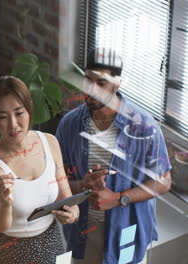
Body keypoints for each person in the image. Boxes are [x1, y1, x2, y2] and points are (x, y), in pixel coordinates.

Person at [56, 48, 172, 264]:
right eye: (88, 80)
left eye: (101, 83)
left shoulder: (144, 126)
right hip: (82, 236)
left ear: (117, 84)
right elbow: (58, 179)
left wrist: (118, 199)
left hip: (126, 234)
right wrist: (82, 185)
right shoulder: (69, 124)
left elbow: (163, 182)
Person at [0, 76, 79, 264]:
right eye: (3, 117)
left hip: (51, 242)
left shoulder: (50, 142)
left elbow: (66, 197)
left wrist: (73, 212)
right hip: (9, 251)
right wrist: (4, 202)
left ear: (29, 110)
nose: (13, 124)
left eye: (19, 113)